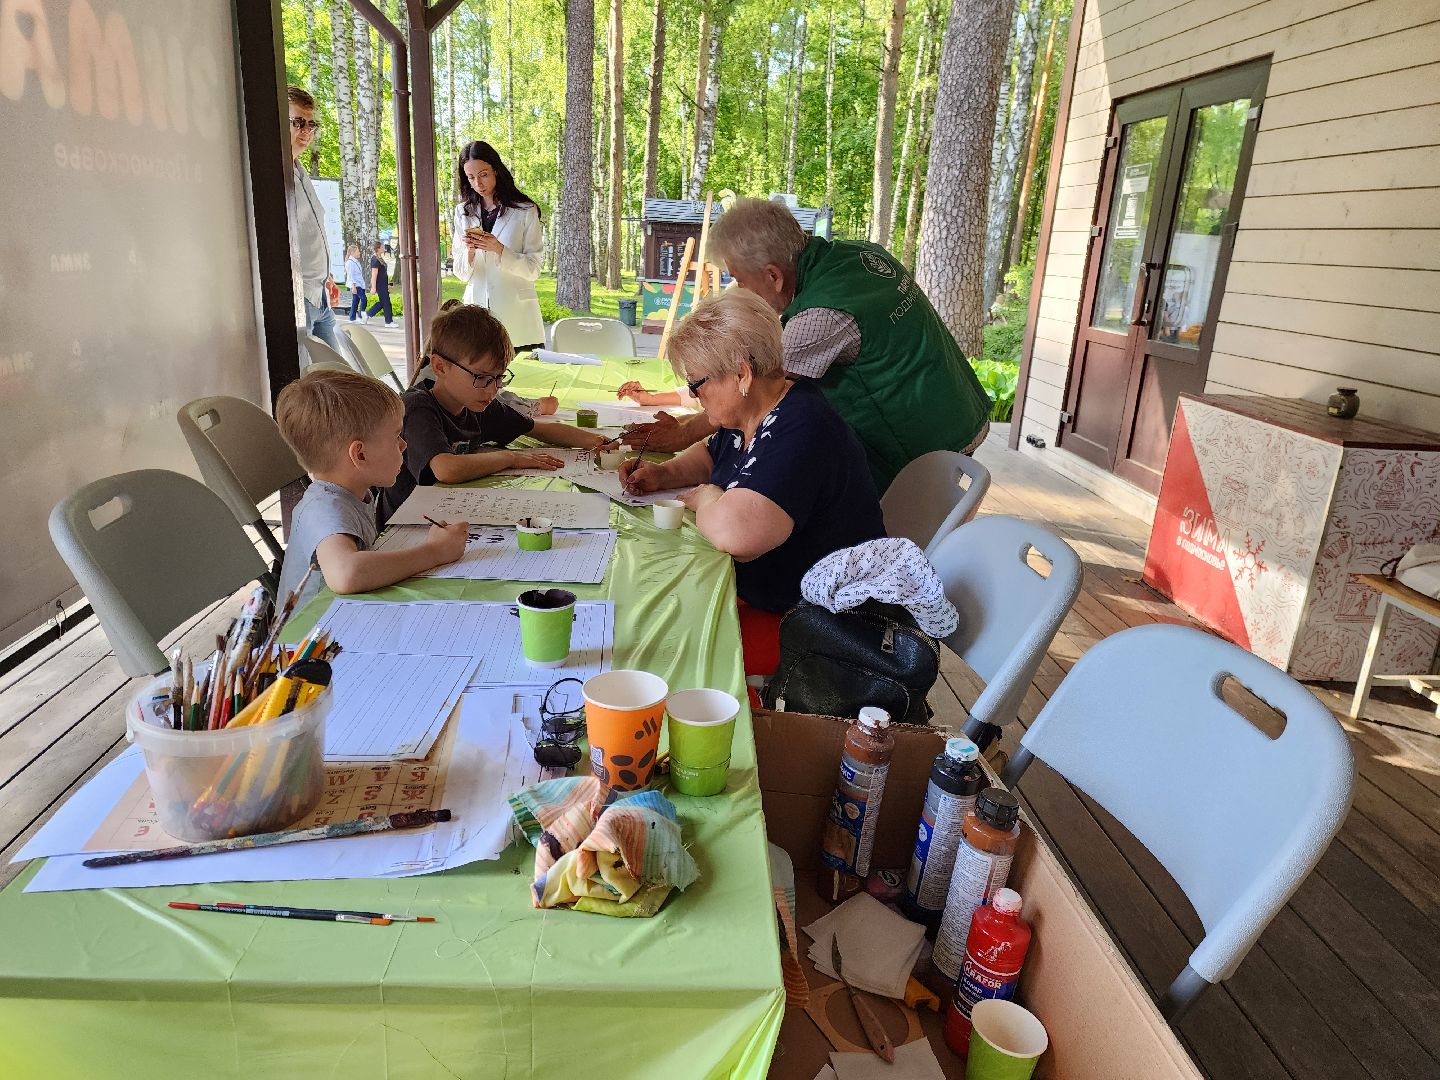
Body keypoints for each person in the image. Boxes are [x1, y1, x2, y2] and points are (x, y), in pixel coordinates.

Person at [620, 198, 993, 495]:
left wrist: (684, 432)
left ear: (773, 275)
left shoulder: (819, 316)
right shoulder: (859, 254)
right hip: (957, 405)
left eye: (739, 279)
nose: (739, 290)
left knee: (890, 531)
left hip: (930, 441)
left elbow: (749, 394)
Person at [619, 291, 885, 674]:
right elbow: (712, 453)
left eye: (697, 385)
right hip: (781, 599)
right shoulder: (754, 410)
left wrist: (709, 497)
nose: (694, 398)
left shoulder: (802, 425)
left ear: (742, 374)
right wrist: (663, 473)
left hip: (826, 629)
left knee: (662, 646)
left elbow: (737, 536)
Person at [381, 302, 612, 523]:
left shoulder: (478, 404)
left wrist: (596, 441)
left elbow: (540, 429)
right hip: (404, 525)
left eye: (499, 378)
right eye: (481, 377)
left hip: (447, 511)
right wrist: (510, 458)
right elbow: (446, 469)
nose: (493, 389)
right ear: (440, 367)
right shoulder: (417, 407)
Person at [274, 369, 469, 612]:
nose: (404, 444)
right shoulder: (323, 507)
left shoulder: (353, 492)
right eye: (396, 436)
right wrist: (435, 552)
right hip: (307, 640)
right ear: (360, 455)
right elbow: (346, 573)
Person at [451, 141, 545, 352]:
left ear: (496, 169)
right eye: (471, 177)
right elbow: (461, 273)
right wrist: (470, 251)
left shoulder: (525, 210)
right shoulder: (462, 212)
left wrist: (499, 249)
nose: (478, 183)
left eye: (483, 174)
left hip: (518, 319)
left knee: (523, 383)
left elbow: (534, 269)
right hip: (477, 318)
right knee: (479, 383)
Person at [287, 86, 345, 354]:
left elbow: (310, 233)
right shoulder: (274, 174)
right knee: (310, 385)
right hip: (300, 299)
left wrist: (327, 276)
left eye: (312, 124)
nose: (306, 131)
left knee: (340, 381)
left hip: (319, 294)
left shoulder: (299, 171)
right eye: (298, 122)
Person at [366, 241, 394, 326]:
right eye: (382, 247)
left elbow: (383, 272)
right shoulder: (375, 259)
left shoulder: (380, 258)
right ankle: (388, 322)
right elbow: (374, 275)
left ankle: (367, 314)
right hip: (379, 284)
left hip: (383, 283)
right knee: (386, 302)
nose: (384, 248)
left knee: (383, 302)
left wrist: (388, 284)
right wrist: (373, 287)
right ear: (378, 248)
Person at [344, 244, 367, 322]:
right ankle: (360, 316)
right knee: (363, 299)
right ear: (352, 253)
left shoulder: (355, 261)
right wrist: (353, 286)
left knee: (355, 301)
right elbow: (351, 275)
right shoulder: (350, 263)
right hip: (356, 284)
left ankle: (352, 317)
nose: (359, 253)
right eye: (357, 251)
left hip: (360, 283)